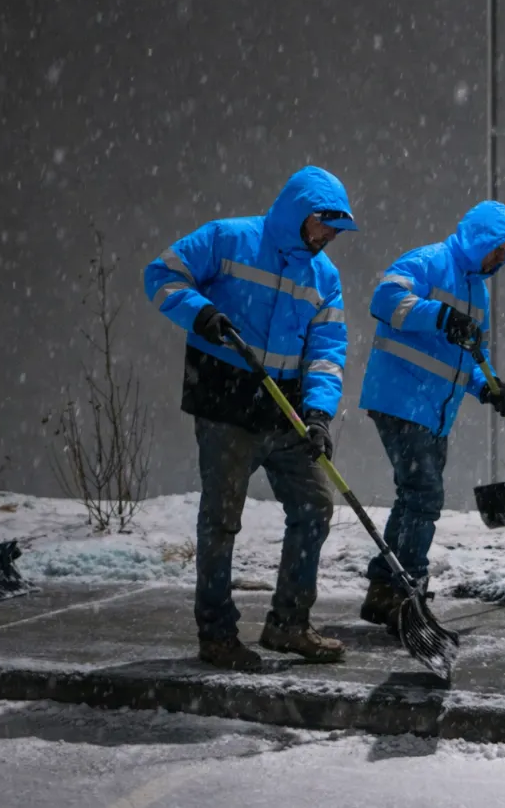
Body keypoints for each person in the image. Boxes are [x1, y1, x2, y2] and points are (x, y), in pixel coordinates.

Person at [143, 165, 357, 671]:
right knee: (221, 521)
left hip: (284, 409)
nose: (329, 237)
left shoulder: (324, 278)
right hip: (225, 403)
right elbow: (161, 274)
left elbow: (327, 352)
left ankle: (288, 624)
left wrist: (319, 415)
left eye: (335, 230)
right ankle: (216, 634)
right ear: (302, 213)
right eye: (324, 225)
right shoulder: (228, 239)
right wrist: (200, 312)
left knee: (314, 506)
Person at [357, 201, 505, 628]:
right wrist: (440, 316)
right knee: (424, 493)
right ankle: (407, 589)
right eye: (498, 249)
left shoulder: (478, 291)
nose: (501, 259)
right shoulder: (429, 262)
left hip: (434, 408)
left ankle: (384, 589)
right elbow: (386, 299)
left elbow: (471, 352)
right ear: (480, 238)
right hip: (400, 396)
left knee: (414, 495)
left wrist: (488, 387)